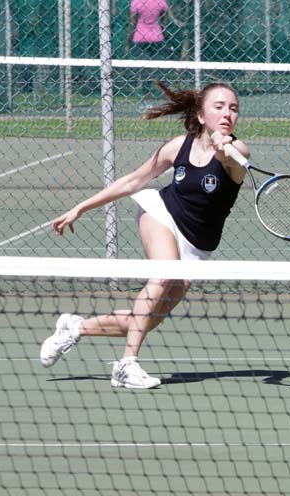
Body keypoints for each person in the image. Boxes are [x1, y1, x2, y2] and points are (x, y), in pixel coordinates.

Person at [39, 82, 246, 389]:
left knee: (147, 318)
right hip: (161, 213)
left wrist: (223, 149)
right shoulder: (178, 146)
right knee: (162, 277)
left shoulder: (239, 151)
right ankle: (127, 365)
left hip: (196, 244)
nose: (227, 113)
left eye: (233, 108)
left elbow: (229, 160)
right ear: (201, 115)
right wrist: (81, 208)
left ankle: (74, 327)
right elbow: (133, 181)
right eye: (219, 106)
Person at [125, 0, 169, 109]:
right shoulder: (161, 2)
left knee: (144, 70)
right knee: (161, 68)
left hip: (140, 37)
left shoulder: (136, 2)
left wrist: (127, 43)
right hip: (157, 37)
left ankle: (147, 99)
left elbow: (132, 23)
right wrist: (163, 33)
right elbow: (165, 21)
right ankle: (165, 96)